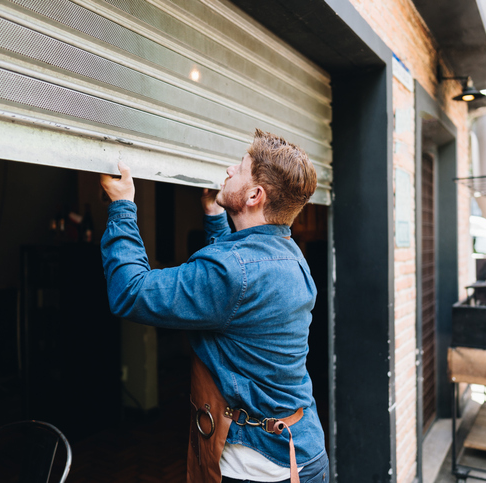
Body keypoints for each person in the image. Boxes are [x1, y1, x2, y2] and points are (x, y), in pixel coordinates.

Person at [99, 129, 328, 483]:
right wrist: (214, 213)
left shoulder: (234, 272)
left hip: (261, 468)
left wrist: (122, 206)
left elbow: (130, 291)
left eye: (238, 169)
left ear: (254, 194)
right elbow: (236, 287)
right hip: (304, 451)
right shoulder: (291, 257)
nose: (227, 169)